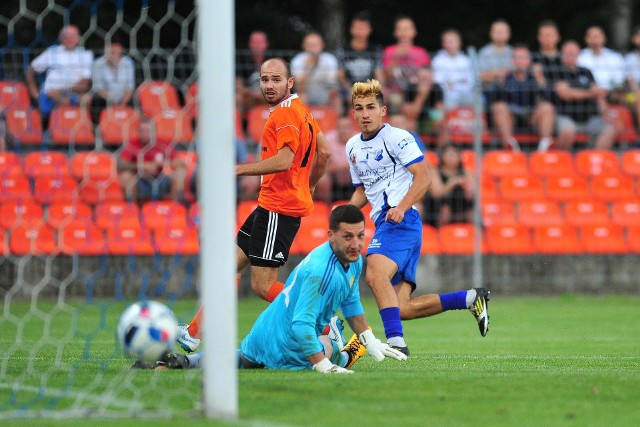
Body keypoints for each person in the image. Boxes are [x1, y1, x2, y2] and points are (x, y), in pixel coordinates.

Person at [177, 57, 331, 352]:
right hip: (271, 205)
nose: (269, 85)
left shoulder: (284, 114)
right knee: (228, 267)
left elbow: (285, 160)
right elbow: (323, 152)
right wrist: (308, 184)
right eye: (264, 79)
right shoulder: (302, 111)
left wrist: (237, 170)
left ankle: (324, 324)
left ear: (290, 82)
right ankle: (193, 332)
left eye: (276, 79)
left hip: (278, 208)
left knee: (262, 285)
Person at [137, 205, 407, 371]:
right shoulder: (319, 271)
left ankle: (189, 361)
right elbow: (302, 327)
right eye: (348, 237)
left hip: (262, 334)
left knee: (248, 360)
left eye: (360, 236)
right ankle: (350, 351)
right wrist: (324, 365)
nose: (356, 244)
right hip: (295, 344)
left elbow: (351, 304)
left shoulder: (353, 259)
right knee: (332, 349)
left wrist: (370, 337)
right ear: (330, 236)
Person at [345, 79, 490, 356]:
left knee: (375, 273)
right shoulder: (352, 147)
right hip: (393, 224)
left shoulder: (397, 137)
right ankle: (471, 298)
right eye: (359, 108)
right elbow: (364, 189)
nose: (365, 113)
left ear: (382, 110)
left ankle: (396, 344)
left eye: (371, 107)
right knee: (402, 308)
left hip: (401, 221)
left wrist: (400, 206)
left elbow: (424, 176)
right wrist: (344, 216)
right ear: (353, 113)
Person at [382, 15, 444, 136]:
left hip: (417, 92)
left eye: (407, 29)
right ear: (396, 32)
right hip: (398, 93)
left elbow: (427, 75)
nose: (404, 32)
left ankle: (433, 123)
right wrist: (396, 58)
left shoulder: (421, 52)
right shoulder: (390, 51)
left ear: (414, 32)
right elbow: (387, 77)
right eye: (401, 29)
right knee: (398, 101)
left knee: (435, 99)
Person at [550, 40, 617, 150]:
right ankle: (562, 161)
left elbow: (598, 93)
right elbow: (565, 94)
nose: (571, 56)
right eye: (568, 53)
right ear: (562, 54)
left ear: (578, 55)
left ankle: (594, 160)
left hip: (590, 117)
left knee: (610, 129)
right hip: (566, 117)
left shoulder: (586, 71)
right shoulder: (556, 71)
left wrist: (606, 112)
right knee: (567, 131)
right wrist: (591, 93)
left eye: (574, 53)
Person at [491, 44, 555, 151]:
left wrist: (541, 80)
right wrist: (500, 81)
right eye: (517, 57)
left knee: (547, 107)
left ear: (529, 61)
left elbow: (550, 98)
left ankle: (544, 147)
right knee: (499, 107)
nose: (520, 61)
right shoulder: (506, 77)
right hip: (511, 117)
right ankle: (509, 145)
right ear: (512, 61)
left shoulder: (534, 77)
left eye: (523, 58)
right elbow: (493, 100)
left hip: (531, 116)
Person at [25, 25, 93, 117]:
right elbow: (31, 69)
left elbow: (85, 82)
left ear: (78, 38)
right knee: (58, 97)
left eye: (72, 36)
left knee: (87, 99)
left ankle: (84, 128)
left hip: (73, 93)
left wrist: (63, 89)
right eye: (66, 36)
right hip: (50, 94)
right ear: (61, 38)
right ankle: (56, 127)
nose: (69, 39)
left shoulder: (85, 55)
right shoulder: (52, 52)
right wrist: (34, 93)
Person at [118, 117, 188, 203]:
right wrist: (142, 166)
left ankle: (175, 207)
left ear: (154, 132)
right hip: (140, 182)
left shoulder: (162, 145)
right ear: (138, 132)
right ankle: (132, 210)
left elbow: (180, 163)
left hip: (161, 181)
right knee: (126, 176)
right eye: (142, 131)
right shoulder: (132, 145)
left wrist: (162, 164)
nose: (145, 134)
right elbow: (120, 165)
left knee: (180, 173)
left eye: (148, 131)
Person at [335, 11, 384, 112]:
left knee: (384, 95)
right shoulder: (343, 49)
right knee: (340, 98)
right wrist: (351, 89)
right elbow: (341, 76)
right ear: (351, 30)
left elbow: (379, 75)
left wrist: (377, 89)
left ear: (369, 30)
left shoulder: (375, 49)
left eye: (363, 28)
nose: (360, 31)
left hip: (371, 88)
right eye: (357, 28)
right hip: (348, 88)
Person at [290, 31, 342, 115]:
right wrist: (308, 68)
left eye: (315, 45)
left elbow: (332, 87)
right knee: (301, 96)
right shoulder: (297, 60)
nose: (313, 48)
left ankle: (335, 125)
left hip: (324, 94)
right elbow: (299, 88)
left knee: (336, 99)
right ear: (304, 46)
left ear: (322, 45)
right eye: (310, 45)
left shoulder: (330, 59)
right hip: (306, 94)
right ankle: (303, 125)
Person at [422, 144, 474, 227]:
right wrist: (452, 183)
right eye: (449, 155)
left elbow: (472, 189)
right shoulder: (435, 171)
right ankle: (441, 233)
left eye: (454, 155)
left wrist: (468, 190)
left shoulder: (465, 171)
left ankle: (473, 230)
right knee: (445, 206)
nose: (452, 158)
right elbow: (436, 193)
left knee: (472, 204)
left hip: (462, 203)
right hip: (438, 205)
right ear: (442, 156)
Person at [90, 34, 135, 122]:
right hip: (104, 99)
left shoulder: (128, 63)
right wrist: (113, 102)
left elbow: (130, 87)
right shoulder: (98, 64)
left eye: (116, 46)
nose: (112, 49)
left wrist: (122, 103)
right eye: (109, 46)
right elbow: (98, 88)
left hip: (125, 99)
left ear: (121, 49)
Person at [577, 25, 626, 107]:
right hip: (588, 94)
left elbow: (619, 80)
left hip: (612, 94)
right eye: (591, 36)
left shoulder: (615, 57)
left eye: (597, 36)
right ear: (586, 39)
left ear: (604, 38)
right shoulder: (579, 57)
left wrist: (606, 90)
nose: (594, 39)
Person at [432, 28, 475, 111]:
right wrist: (460, 81)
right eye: (447, 42)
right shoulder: (437, 60)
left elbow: (471, 81)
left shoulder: (467, 60)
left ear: (459, 43)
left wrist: (452, 83)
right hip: (446, 96)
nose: (450, 44)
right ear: (443, 44)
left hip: (466, 95)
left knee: (479, 101)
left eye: (452, 41)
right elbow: (438, 81)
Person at [478, 19, 513, 104]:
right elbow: (480, 77)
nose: (500, 34)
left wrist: (494, 74)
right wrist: (501, 73)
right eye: (497, 32)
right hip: (489, 92)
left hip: (511, 91)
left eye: (502, 32)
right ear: (491, 34)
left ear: (508, 34)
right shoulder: (484, 53)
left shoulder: (513, 52)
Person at [236, 31, 271, 112]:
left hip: (268, 95)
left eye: (259, 42)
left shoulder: (273, 61)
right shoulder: (242, 61)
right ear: (250, 44)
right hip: (248, 97)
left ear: (266, 44)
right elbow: (238, 85)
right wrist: (252, 93)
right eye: (254, 42)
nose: (257, 45)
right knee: (238, 99)